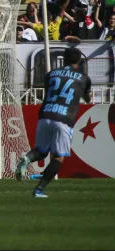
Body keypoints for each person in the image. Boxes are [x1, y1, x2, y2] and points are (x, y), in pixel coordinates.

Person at [15, 48, 92, 198]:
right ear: (79, 61)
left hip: (45, 115)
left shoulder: (50, 74)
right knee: (58, 157)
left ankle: (27, 158)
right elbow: (88, 98)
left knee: (41, 151)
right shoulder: (83, 78)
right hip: (63, 118)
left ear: (64, 59)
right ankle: (39, 190)